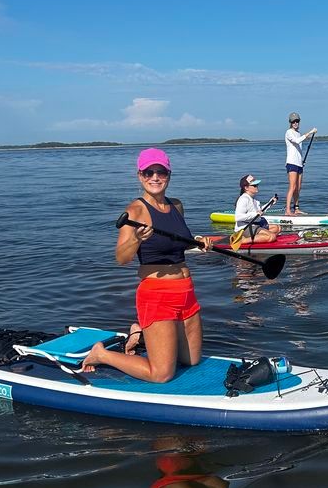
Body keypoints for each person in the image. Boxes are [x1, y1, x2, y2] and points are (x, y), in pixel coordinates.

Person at [79, 147, 214, 383]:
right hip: (157, 295)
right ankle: (101, 354)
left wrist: (199, 242)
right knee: (161, 374)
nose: (155, 177)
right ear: (140, 176)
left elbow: (176, 242)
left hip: (186, 292)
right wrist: (136, 239)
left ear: (169, 175)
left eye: (160, 172)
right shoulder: (135, 211)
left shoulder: (177, 206)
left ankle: (139, 332)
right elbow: (121, 258)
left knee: (191, 361)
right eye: (148, 172)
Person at [284, 112, 317, 214]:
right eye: (293, 121)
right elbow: (297, 141)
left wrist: (301, 161)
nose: (295, 123)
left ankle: (296, 208)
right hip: (291, 163)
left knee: (298, 187)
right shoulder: (289, 132)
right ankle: (288, 210)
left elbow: (299, 147)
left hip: (299, 164)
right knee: (292, 186)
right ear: (290, 122)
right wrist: (310, 132)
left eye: (297, 121)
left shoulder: (298, 133)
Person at [234, 174, 281, 243]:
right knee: (272, 236)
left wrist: (270, 203)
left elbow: (260, 211)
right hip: (244, 228)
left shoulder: (254, 199)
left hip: (255, 225)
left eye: (257, 185)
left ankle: (259, 237)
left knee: (277, 228)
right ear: (246, 188)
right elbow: (238, 217)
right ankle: (243, 240)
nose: (257, 187)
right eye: (254, 185)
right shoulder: (243, 199)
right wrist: (255, 214)